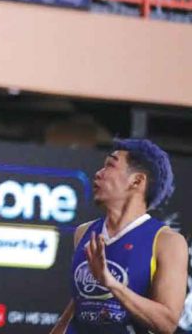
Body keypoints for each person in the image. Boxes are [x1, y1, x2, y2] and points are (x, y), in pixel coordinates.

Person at [50, 138, 188, 334]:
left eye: (110, 166)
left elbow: (166, 324)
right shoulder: (83, 232)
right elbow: (80, 302)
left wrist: (111, 283)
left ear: (137, 181)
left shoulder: (167, 241)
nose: (98, 174)